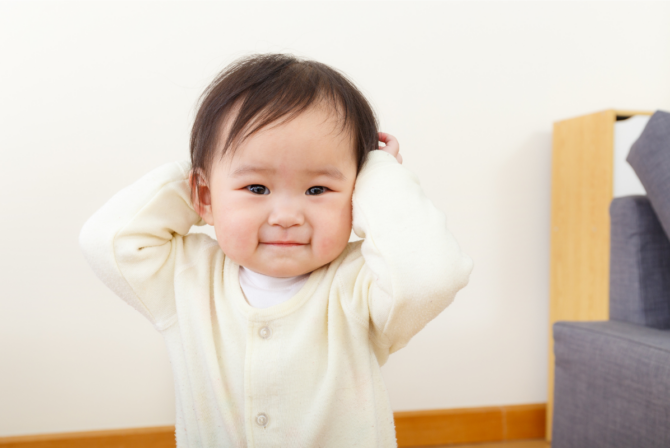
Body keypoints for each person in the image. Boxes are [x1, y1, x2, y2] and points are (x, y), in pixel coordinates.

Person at [79, 53, 474, 447]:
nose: (286, 216)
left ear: (357, 195)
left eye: (318, 190)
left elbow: (432, 278)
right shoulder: (185, 279)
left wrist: (384, 180)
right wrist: (208, 178)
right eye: (256, 188)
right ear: (203, 193)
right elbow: (107, 238)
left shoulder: (362, 286)